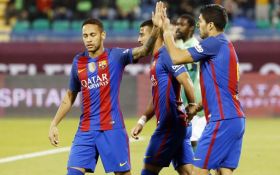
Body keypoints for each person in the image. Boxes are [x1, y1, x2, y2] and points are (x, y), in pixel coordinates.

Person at [48, 12, 161, 175]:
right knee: (72, 172)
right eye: (85, 36)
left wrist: (156, 28)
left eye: (92, 35)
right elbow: (70, 95)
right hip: (85, 129)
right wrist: (54, 123)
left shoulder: (115, 56)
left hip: (112, 128)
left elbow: (144, 50)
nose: (88, 39)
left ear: (103, 35)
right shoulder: (78, 61)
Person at [160, 4, 246, 175]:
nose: (198, 25)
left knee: (198, 172)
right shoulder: (225, 45)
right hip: (235, 119)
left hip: (221, 120)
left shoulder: (213, 43)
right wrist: (197, 107)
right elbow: (221, 88)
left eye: (200, 21)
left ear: (211, 25)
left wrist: (166, 30)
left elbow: (176, 57)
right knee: (223, 172)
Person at [130, 4, 196, 174]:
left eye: (141, 34)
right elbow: (157, 97)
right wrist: (142, 120)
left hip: (170, 124)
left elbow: (186, 80)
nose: (139, 40)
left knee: (149, 170)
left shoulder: (166, 54)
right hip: (177, 124)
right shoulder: (156, 59)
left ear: (154, 33)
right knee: (188, 172)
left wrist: (193, 105)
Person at [175, 14, 207, 151]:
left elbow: (191, 76)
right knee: (186, 141)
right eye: (177, 24)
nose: (178, 27)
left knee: (194, 140)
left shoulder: (194, 46)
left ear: (191, 28)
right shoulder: (180, 44)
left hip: (194, 101)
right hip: (184, 102)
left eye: (182, 25)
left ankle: (199, 170)